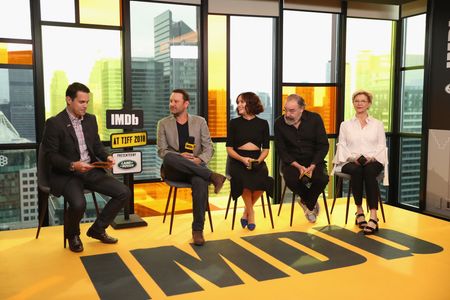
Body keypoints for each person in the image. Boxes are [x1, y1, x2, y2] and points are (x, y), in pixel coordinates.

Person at [42, 82, 130, 253]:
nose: (85, 106)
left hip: (90, 170)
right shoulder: (55, 123)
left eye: (87, 102)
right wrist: (72, 165)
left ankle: (97, 229)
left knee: (124, 192)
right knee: (79, 204)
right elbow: (50, 156)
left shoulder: (90, 119)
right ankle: (73, 235)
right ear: (69, 100)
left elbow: (96, 146)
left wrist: (106, 157)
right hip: (68, 174)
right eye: (81, 102)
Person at [157, 89, 226, 246]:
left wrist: (199, 159)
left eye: (176, 101)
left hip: (195, 167)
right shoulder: (163, 124)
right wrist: (181, 156)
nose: (172, 104)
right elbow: (162, 150)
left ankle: (197, 230)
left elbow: (209, 148)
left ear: (186, 104)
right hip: (174, 169)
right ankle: (212, 176)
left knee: (200, 182)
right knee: (169, 156)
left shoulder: (200, 122)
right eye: (171, 101)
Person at [332, 90, 388, 235]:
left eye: (363, 101)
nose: (359, 104)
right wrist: (353, 158)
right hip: (351, 160)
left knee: (369, 171)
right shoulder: (345, 125)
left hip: (373, 160)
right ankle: (359, 211)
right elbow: (342, 146)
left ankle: (373, 216)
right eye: (357, 101)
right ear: (353, 103)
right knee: (357, 170)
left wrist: (371, 157)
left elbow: (381, 146)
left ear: (369, 104)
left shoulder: (378, 124)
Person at [274, 94, 329, 223]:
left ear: (302, 109)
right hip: (292, 163)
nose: (287, 114)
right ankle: (311, 202)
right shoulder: (279, 123)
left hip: (313, 161)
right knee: (291, 179)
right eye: (285, 110)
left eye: (292, 111)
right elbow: (281, 150)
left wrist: (314, 164)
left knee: (322, 179)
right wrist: (298, 166)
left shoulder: (315, 119)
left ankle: (307, 203)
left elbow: (323, 145)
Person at [226, 92, 274, 231]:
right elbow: (229, 149)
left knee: (263, 178)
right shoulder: (233, 123)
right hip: (237, 160)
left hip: (256, 160)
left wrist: (257, 161)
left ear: (250, 103)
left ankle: (246, 212)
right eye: (238, 102)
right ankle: (251, 213)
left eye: (242, 102)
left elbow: (265, 149)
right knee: (243, 179)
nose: (238, 105)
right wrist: (242, 159)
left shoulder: (263, 124)